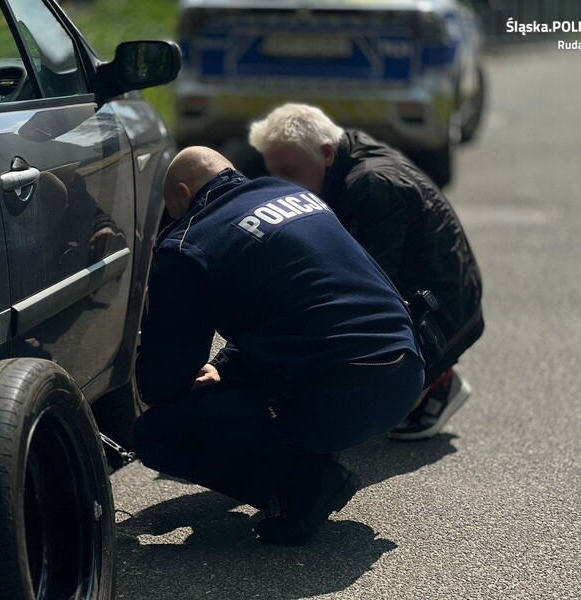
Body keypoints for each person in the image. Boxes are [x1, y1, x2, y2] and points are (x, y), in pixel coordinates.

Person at [133, 147, 424, 545]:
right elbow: (302, 304)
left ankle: (306, 484)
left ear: (183, 194)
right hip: (405, 376)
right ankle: (305, 457)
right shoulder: (294, 196)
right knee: (262, 380)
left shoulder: (189, 241)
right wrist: (228, 365)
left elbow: (163, 382)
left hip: (339, 394)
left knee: (155, 433)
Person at [248, 104, 484, 441]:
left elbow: (366, 289)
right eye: (274, 173)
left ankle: (436, 380)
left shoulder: (372, 185)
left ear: (326, 153)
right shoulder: (345, 157)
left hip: (444, 317)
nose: (281, 185)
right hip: (440, 295)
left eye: (289, 172)